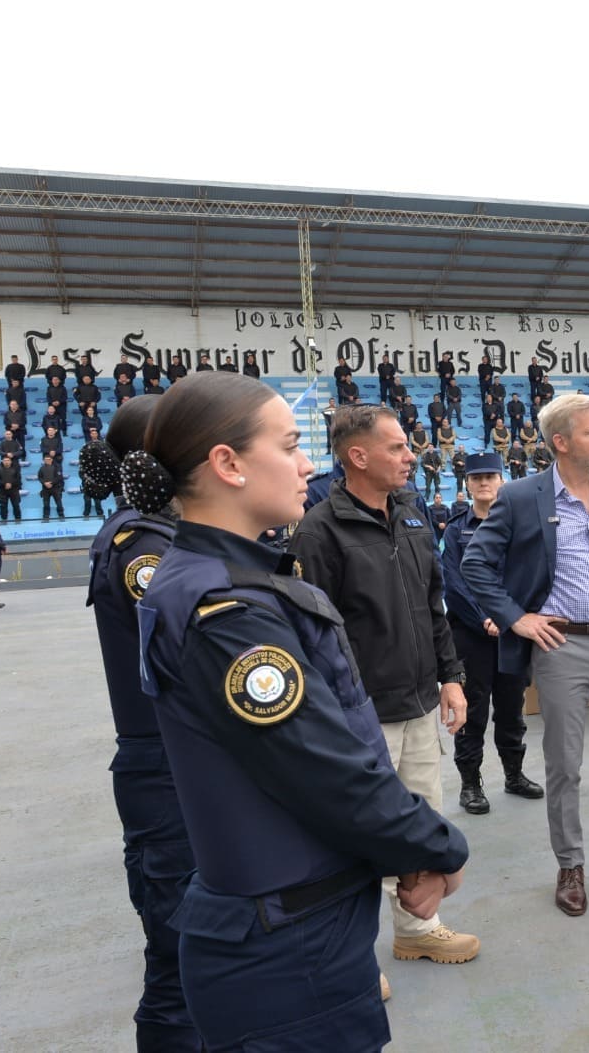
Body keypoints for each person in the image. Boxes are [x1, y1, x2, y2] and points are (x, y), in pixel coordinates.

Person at [126, 373, 469, 1050]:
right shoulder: (228, 615)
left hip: (290, 925)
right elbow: (326, 768)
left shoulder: (222, 581)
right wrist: (438, 848)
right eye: (288, 445)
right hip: (288, 945)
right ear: (227, 464)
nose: (308, 462)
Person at [461, 393, 589, 917]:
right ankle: (570, 864)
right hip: (559, 646)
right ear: (561, 442)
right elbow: (476, 565)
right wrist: (518, 618)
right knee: (564, 764)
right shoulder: (520, 496)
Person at [289, 404, 481, 967]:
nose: (410, 454)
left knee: (421, 820)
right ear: (358, 455)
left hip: (421, 702)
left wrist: (452, 677)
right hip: (363, 714)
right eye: (397, 447)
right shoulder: (320, 531)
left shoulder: (413, 514)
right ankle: (350, 958)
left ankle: (418, 931)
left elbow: (433, 605)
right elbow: (315, 635)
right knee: (353, 837)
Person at [79, 395, 200, 1050]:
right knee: (180, 962)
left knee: (172, 927)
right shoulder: (146, 542)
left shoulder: (132, 530)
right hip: (166, 756)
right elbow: (192, 650)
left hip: (156, 754)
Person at [440, 453, 545, 814]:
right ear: (467, 484)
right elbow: (454, 584)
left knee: (512, 707)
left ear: (502, 480)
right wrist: (487, 617)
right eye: (476, 478)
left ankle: (514, 775)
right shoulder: (455, 529)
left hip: (512, 631)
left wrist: (508, 617)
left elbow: (526, 575)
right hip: (472, 634)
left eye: (490, 476)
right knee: (472, 710)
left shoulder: (518, 525)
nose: (483, 483)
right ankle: (470, 783)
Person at [0, 455, 23, 522]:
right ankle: (4, 520)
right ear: (2, 461)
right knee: (3, 506)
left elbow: (18, 479)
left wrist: (11, 484)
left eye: (8, 460)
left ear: (10, 461)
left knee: (16, 505)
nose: (6, 462)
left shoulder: (15, 469)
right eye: (5, 461)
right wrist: (5, 484)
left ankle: (18, 519)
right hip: (2, 490)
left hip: (14, 490)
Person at [37, 456, 66, 521]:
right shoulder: (41, 468)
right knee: (46, 504)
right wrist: (44, 483)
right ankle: (46, 517)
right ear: (44, 460)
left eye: (48, 459)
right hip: (45, 489)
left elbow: (59, 477)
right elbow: (39, 477)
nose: (47, 460)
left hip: (55, 488)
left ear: (51, 460)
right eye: (45, 459)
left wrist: (51, 483)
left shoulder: (56, 468)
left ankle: (61, 515)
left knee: (59, 503)